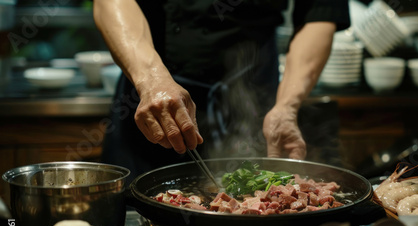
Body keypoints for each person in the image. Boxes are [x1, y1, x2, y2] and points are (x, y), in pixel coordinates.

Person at [93, 0, 350, 180]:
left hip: (257, 101)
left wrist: (287, 106)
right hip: (152, 98)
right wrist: (152, 80)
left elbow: (319, 15)